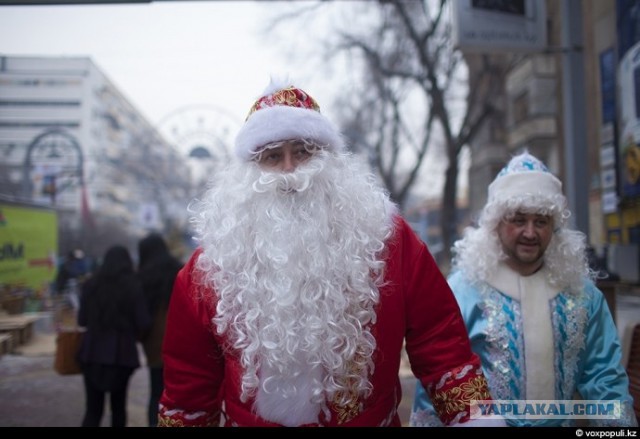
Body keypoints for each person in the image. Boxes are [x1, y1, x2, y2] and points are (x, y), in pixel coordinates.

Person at [158, 78, 503, 427]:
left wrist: (473, 419)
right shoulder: (212, 267)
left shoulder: (388, 241)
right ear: (249, 171)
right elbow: (189, 389)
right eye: (273, 156)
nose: (290, 171)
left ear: (330, 160)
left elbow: (443, 348)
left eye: (304, 151)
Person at [410, 152, 638, 427]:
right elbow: (438, 381)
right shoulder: (461, 293)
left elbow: (605, 379)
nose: (530, 233)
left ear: (554, 226)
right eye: (518, 220)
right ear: (496, 224)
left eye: (541, 221)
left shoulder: (582, 295)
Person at [77, 245, 151, 427]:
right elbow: (143, 321)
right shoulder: (133, 286)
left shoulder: (91, 285)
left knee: (93, 410)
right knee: (118, 409)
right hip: (122, 354)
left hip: (92, 352)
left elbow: (82, 320)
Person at [137, 233, 183, 427]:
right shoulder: (178, 270)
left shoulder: (141, 276)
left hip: (154, 343)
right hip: (179, 338)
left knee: (156, 391)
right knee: (180, 393)